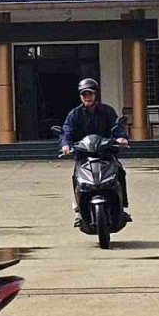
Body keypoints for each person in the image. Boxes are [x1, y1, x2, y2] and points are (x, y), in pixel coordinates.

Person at [59, 76, 130, 222]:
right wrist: (65, 145)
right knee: (76, 177)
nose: (87, 97)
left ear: (95, 94)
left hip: (105, 153)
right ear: (80, 96)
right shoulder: (74, 114)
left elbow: (117, 128)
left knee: (120, 172)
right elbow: (66, 131)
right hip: (83, 154)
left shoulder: (107, 111)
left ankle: (122, 206)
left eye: (90, 94)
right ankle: (79, 209)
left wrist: (121, 138)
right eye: (84, 94)